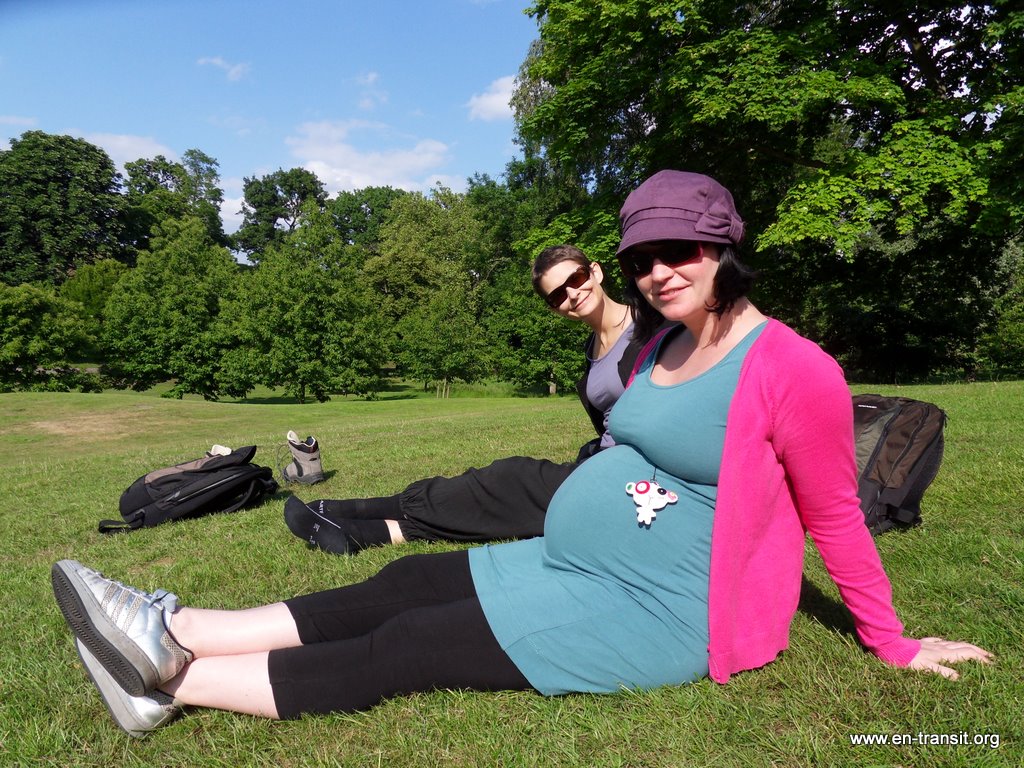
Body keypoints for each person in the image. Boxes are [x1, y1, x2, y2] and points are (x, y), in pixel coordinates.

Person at [52, 170, 992, 737]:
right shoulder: (659, 344)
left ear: (725, 248)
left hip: (668, 609)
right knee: (405, 583)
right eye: (641, 257)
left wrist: (893, 642)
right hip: (573, 559)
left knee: (412, 645)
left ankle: (169, 685)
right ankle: (177, 626)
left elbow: (835, 515)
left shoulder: (794, 369)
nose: (657, 271)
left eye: (678, 251)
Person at [283, 243, 654, 554]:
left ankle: (348, 513)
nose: (572, 294)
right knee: (498, 494)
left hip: (629, 481)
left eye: (576, 279)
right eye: (557, 295)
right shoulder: (592, 349)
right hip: (603, 469)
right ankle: (360, 529)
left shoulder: (650, 327)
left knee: (508, 479)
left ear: (596, 272)